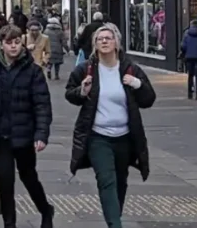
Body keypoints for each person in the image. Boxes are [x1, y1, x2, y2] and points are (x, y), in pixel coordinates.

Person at [65, 23, 156, 228]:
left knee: (120, 182)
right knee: (106, 180)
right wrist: (82, 90)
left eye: (108, 38)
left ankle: (114, 218)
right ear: (95, 45)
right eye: (100, 39)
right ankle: (115, 225)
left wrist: (137, 84)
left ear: (117, 43)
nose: (104, 41)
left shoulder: (130, 68)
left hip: (124, 137)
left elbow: (148, 99)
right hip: (98, 137)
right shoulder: (86, 69)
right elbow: (69, 93)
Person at [0, 24, 54, 228]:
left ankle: (46, 210)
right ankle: (9, 223)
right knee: (5, 182)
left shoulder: (33, 71)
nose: (13, 47)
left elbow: (42, 105)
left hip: (25, 134)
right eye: (9, 43)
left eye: (17, 42)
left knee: (29, 177)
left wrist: (41, 134)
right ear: (1, 45)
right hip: (1, 136)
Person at [181, 19, 197, 100]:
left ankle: (189, 93)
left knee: (190, 75)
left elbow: (183, 46)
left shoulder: (186, 34)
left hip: (188, 57)